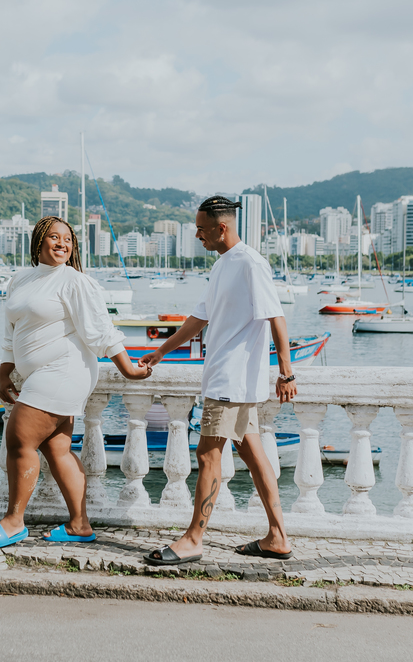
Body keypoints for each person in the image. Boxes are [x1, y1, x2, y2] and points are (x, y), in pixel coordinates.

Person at [138, 195, 296, 565]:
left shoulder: (250, 263)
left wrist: (286, 372)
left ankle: (193, 539)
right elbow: (199, 318)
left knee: (208, 453)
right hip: (230, 380)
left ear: (221, 227)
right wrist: (161, 352)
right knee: (253, 456)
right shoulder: (224, 265)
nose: (197, 236)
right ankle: (278, 537)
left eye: (201, 229)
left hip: (232, 380)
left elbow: (277, 318)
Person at [0, 216, 152, 549]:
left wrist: (128, 368)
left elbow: (100, 329)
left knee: (19, 440)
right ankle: (79, 525)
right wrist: (4, 372)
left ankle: (13, 522)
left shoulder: (75, 281)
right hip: (37, 374)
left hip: (65, 370)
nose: (62, 244)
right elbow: (11, 332)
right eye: (55, 237)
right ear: (39, 240)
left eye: (68, 240)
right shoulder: (21, 279)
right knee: (57, 449)